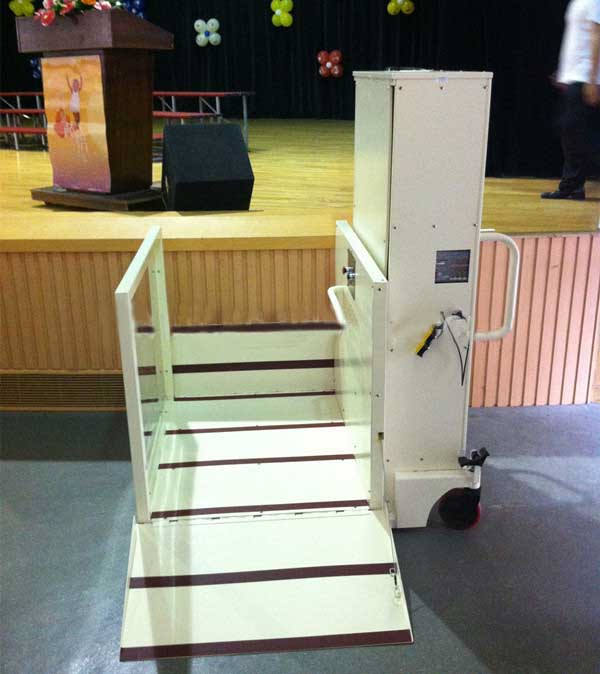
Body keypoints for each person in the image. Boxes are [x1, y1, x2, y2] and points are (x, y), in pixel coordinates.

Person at [542, 0, 600, 201]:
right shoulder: (577, 2)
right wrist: (563, 71)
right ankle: (573, 186)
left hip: (586, 77)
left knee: (576, 133)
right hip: (574, 76)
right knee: (572, 132)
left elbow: (597, 36)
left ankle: (572, 185)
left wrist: (592, 79)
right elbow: (575, 40)